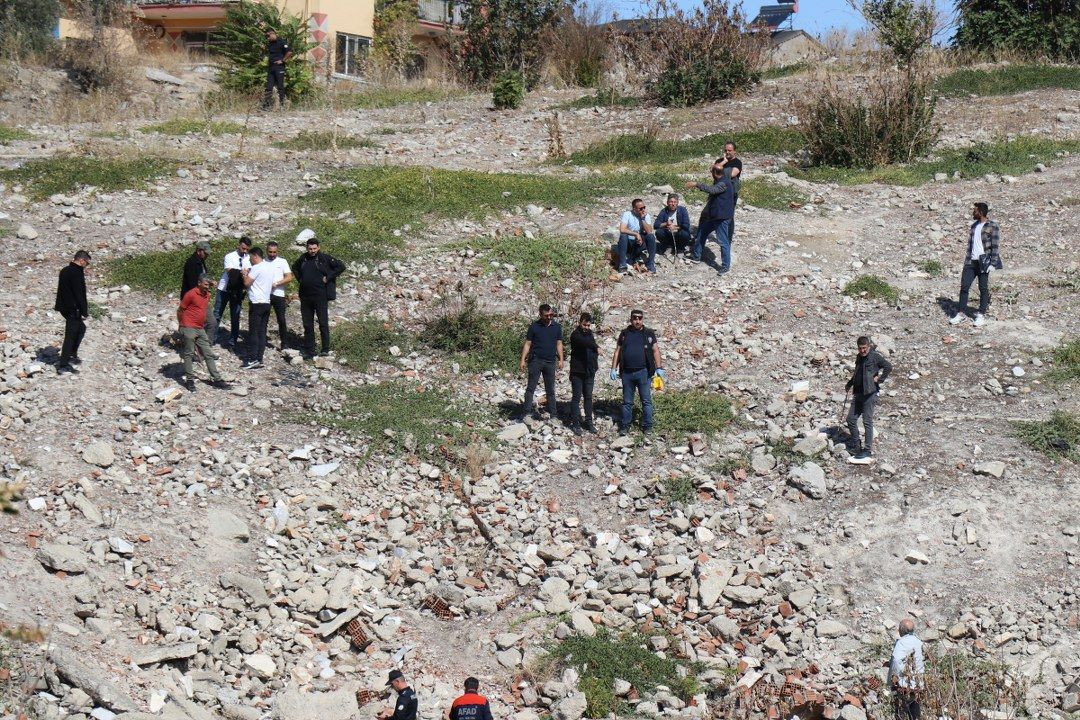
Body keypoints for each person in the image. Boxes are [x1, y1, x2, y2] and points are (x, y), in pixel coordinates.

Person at [291, 234, 346, 358]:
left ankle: (325, 349)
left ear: (318, 247)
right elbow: (294, 267)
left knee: (323, 323)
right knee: (307, 324)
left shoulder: (324, 258)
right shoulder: (303, 258)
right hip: (305, 296)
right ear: (306, 248)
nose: (312, 251)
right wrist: (301, 279)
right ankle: (310, 350)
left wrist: (329, 277)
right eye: (310, 249)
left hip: (320, 296)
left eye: (314, 249)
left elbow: (341, 267)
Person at [610, 310, 664, 436]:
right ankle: (625, 426)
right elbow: (617, 351)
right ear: (631, 319)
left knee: (646, 401)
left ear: (642, 319)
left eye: (640, 318)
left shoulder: (648, 333)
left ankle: (647, 426)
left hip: (644, 372)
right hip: (627, 373)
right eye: (635, 318)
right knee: (627, 402)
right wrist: (613, 368)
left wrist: (659, 367)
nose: (637, 321)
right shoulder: (624, 334)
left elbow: (655, 350)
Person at [949, 202, 1002, 328]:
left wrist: (993, 263)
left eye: (975, 210)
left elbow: (995, 246)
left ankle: (981, 314)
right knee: (964, 286)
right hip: (970, 261)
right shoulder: (974, 226)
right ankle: (961, 313)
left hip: (984, 262)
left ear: (981, 212)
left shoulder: (992, 226)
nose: (973, 212)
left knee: (983, 288)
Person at [177, 274, 230, 391]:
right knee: (189, 353)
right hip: (188, 326)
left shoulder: (207, 295)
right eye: (206, 284)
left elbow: (203, 310)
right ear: (199, 283)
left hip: (200, 328)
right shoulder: (190, 294)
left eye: (209, 285)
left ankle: (217, 379)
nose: (208, 287)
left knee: (208, 353)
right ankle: (189, 380)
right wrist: (181, 325)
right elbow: (180, 310)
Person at [844, 336, 892, 464]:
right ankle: (856, 445)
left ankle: (867, 450)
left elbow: (888, 366)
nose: (862, 351)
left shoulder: (874, 356)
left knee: (867, 421)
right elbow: (857, 372)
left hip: (870, 393)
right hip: (858, 393)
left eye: (864, 348)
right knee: (850, 419)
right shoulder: (859, 357)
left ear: (868, 346)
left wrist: (880, 379)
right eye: (860, 348)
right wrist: (850, 383)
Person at [686, 163, 735, 272]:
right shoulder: (722, 180)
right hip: (715, 217)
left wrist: (696, 184)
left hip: (721, 218)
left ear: (714, 173)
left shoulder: (723, 183)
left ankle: (725, 267)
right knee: (701, 233)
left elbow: (712, 190)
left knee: (723, 242)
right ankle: (696, 257)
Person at [519, 304, 564, 421]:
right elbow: (528, 344)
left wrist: (561, 359)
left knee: (550, 389)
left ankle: (553, 414)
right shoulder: (534, 327)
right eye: (546, 315)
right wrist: (523, 360)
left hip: (550, 361)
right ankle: (527, 413)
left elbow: (559, 344)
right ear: (540, 314)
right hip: (536, 360)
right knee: (531, 388)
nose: (549, 317)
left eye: (551, 315)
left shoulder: (556, 327)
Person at [54, 250, 91, 374]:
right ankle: (63, 364)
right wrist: (84, 311)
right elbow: (79, 293)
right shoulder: (76, 272)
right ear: (81, 260)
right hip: (72, 309)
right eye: (87, 263)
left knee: (81, 329)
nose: (86, 265)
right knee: (70, 335)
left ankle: (72, 354)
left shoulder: (65, 270)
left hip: (64, 307)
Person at [241, 247, 275, 370]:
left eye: (251, 257)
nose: (250, 260)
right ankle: (259, 358)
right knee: (262, 331)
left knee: (254, 331)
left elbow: (246, 283)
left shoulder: (256, 268)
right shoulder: (269, 267)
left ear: (255, 256)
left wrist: (245, 275)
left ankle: (253, 358)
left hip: (256, 303)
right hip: (266, 302)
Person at [214, 237, 251, 347]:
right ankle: (212, 338)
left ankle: (232, 342)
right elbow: (230, 271)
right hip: (224, 288)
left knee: (235, 315)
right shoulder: (230, 256)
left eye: (246, 249)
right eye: (243, 248)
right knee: (217, 313)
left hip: (238, 289)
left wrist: (245, 272)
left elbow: (249, 271)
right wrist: (242, 272)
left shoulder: (248, 258)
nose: (244, 251)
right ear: (239, 245)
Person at [568, 312, 599, 435]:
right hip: (577, 371)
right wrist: (596, 347)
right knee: (576, 397)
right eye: (584, 325)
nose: (586, 327)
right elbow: (585, 343)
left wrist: (595, 366)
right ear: (580, 323)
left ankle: (589, 421)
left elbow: (591, 349)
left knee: (588, 397)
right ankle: (575, 424)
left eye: (588, 325)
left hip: (589, 371)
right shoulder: (575, 335)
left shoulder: (590, 334)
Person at [887, 618, 924, 720]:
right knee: (915, 713)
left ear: (901, 630)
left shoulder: (902, 642)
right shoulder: (918, 641)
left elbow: (896, 660)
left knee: (901, 712)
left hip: (905, 683)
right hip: (918, 683)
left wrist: (895, 679)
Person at [265, 241, 294, 350]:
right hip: (266, 295)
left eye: (274, 252)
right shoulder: (262, 261)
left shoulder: (282, 261)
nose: (272, 254)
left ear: (277, 251)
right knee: (264, 318)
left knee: (281, 319)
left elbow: (289, 277)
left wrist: (277, 283)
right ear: (266, 250)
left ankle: (284, 343)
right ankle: (262, 340)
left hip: (279, 294)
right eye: (270, 252)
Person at [616, 198, 656, 275]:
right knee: (623, 236)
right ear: (634, 209)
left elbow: (649, 231)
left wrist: (643, 219)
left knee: (651, 237)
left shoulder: (645, 216)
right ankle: (622, 264)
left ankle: (650, 263)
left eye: (644, 207)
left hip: (639, 242)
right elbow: (622, 229)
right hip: (629, 241)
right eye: (640, 208)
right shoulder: (627, 214)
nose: (643, 210)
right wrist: (636, 234)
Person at [716, 142, 742, 246]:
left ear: (734, 151)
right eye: (726, 150)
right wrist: (723, 162)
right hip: (718, 191)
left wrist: (719, 171)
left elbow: (732, 174)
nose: (727, 152)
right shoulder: (720, 161)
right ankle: (720, 234)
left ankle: (728, 239)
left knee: (729, 216)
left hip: (730, 193)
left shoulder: (737, 162)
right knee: (716, 213)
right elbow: (712, 170)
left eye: (730, 150)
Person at [263, 28, 292, 110]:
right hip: (271, 67)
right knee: (269, 87)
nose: (267, 38)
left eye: (268, 36)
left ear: (272, 33)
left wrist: (282, 60)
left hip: (279, 67)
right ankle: (266, 106)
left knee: (280, 86)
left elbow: (289, 52)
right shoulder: (270, 43)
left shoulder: (281, 41)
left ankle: (282, 105)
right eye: (266, 36)